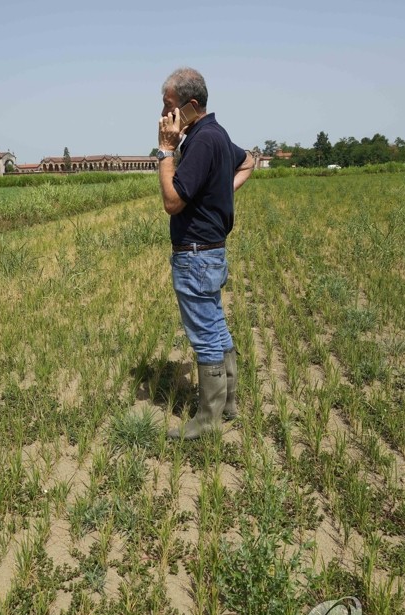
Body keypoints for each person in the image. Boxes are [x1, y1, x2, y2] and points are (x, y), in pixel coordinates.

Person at [157, 67, 254, 440]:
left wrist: (166, 150)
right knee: (215, 325)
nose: (165, 115)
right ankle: (227, 405)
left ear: (191, 105)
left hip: (196, 254)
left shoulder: (200, 141)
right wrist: (220, 196)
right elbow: (248, 161)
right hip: (211, 252)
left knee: (205, 335)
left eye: (169, 107)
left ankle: (209, 419)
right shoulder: (217, 134)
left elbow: (172, 201)